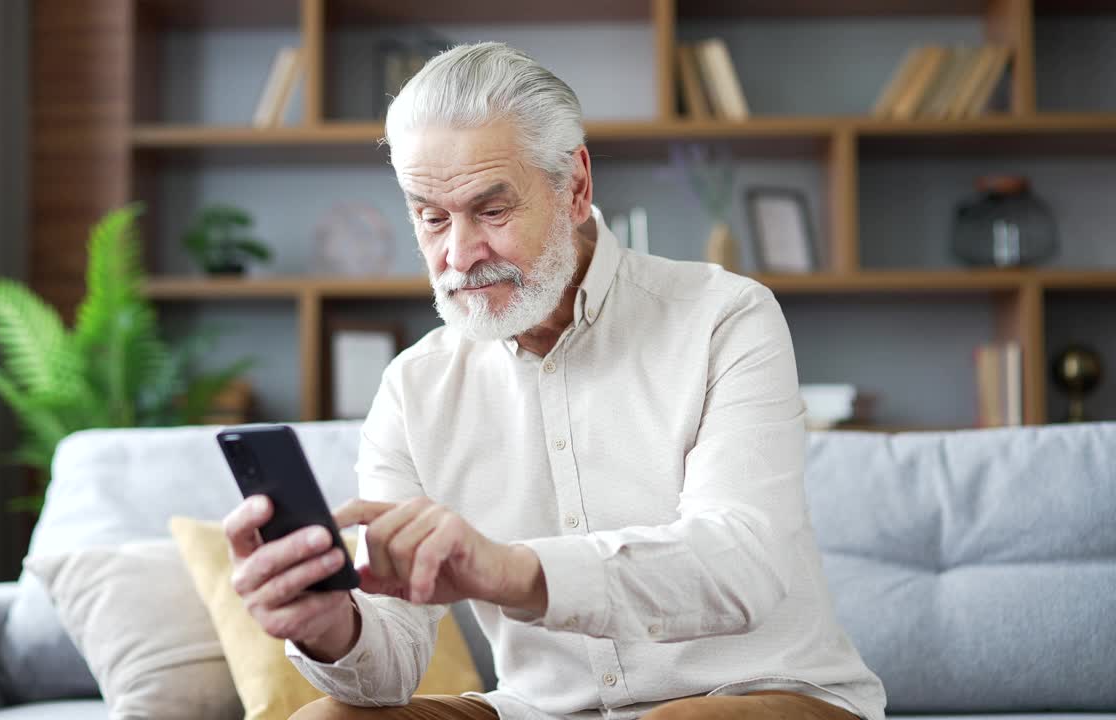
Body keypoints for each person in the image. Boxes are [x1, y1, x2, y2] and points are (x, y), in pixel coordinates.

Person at [222, 42, 887, 720]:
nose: (458, 254)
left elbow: (739, 561)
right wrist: (331, 625)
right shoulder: (413, 387)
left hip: (755, 693)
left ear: (576, 186)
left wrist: (509, 570)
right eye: (431, 216)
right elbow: (388, 671)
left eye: (491, 210)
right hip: (539, 710)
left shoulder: (724, 316)